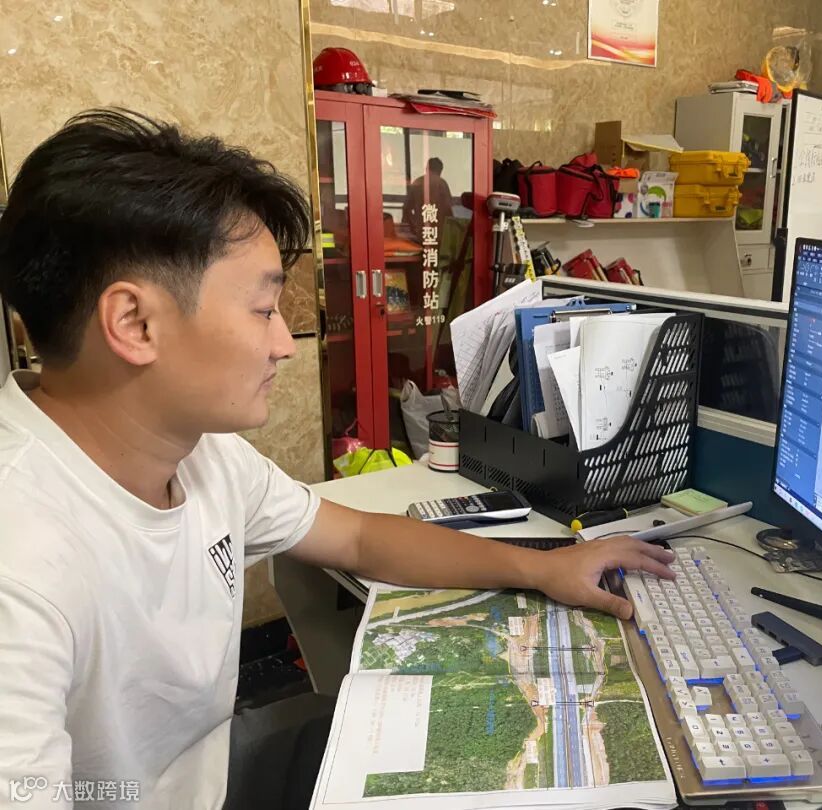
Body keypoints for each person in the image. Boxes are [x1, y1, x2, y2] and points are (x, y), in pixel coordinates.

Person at [0, 110, 675, 809]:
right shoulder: (21, 562)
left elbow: (356, 537)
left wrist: (544, 569)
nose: (283, 345)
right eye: (263, 309)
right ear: (135, 324)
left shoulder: (206, 456)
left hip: (210, 769)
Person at [402, 156, 454, 237]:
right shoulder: (442, 184)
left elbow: (406, 208)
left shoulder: (417, 182)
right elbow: (448, 209)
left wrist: (413, 225)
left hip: (420, 230)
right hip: (438, 231)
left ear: (427, 168)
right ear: (440, 170)